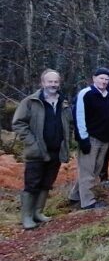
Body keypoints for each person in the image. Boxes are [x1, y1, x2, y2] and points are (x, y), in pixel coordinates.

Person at [12, 69, 73, 229]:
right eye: (50, 81)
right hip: (36, 151)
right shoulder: (30, 101)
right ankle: (27, 217)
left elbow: (69, 124)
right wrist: (32, 143)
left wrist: (67, 143)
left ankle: (38, 212)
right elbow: (18, 123)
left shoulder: (63, 102)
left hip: (56, 150)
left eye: (56, 82)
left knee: (47, 183)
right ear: (42, 83)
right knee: (32, 184)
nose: (53, 84)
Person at [69, 68, 109, 209]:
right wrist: (83, 139)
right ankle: (88, 203)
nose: (104, 81)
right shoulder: (86, 94)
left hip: (104, 139)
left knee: (94, 170)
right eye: (101, 78)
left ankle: (75, 196)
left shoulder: (107, 95)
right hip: (90, 138)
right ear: (94, 78)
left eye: (107, 79)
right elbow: (79, 117)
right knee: (87, 171)